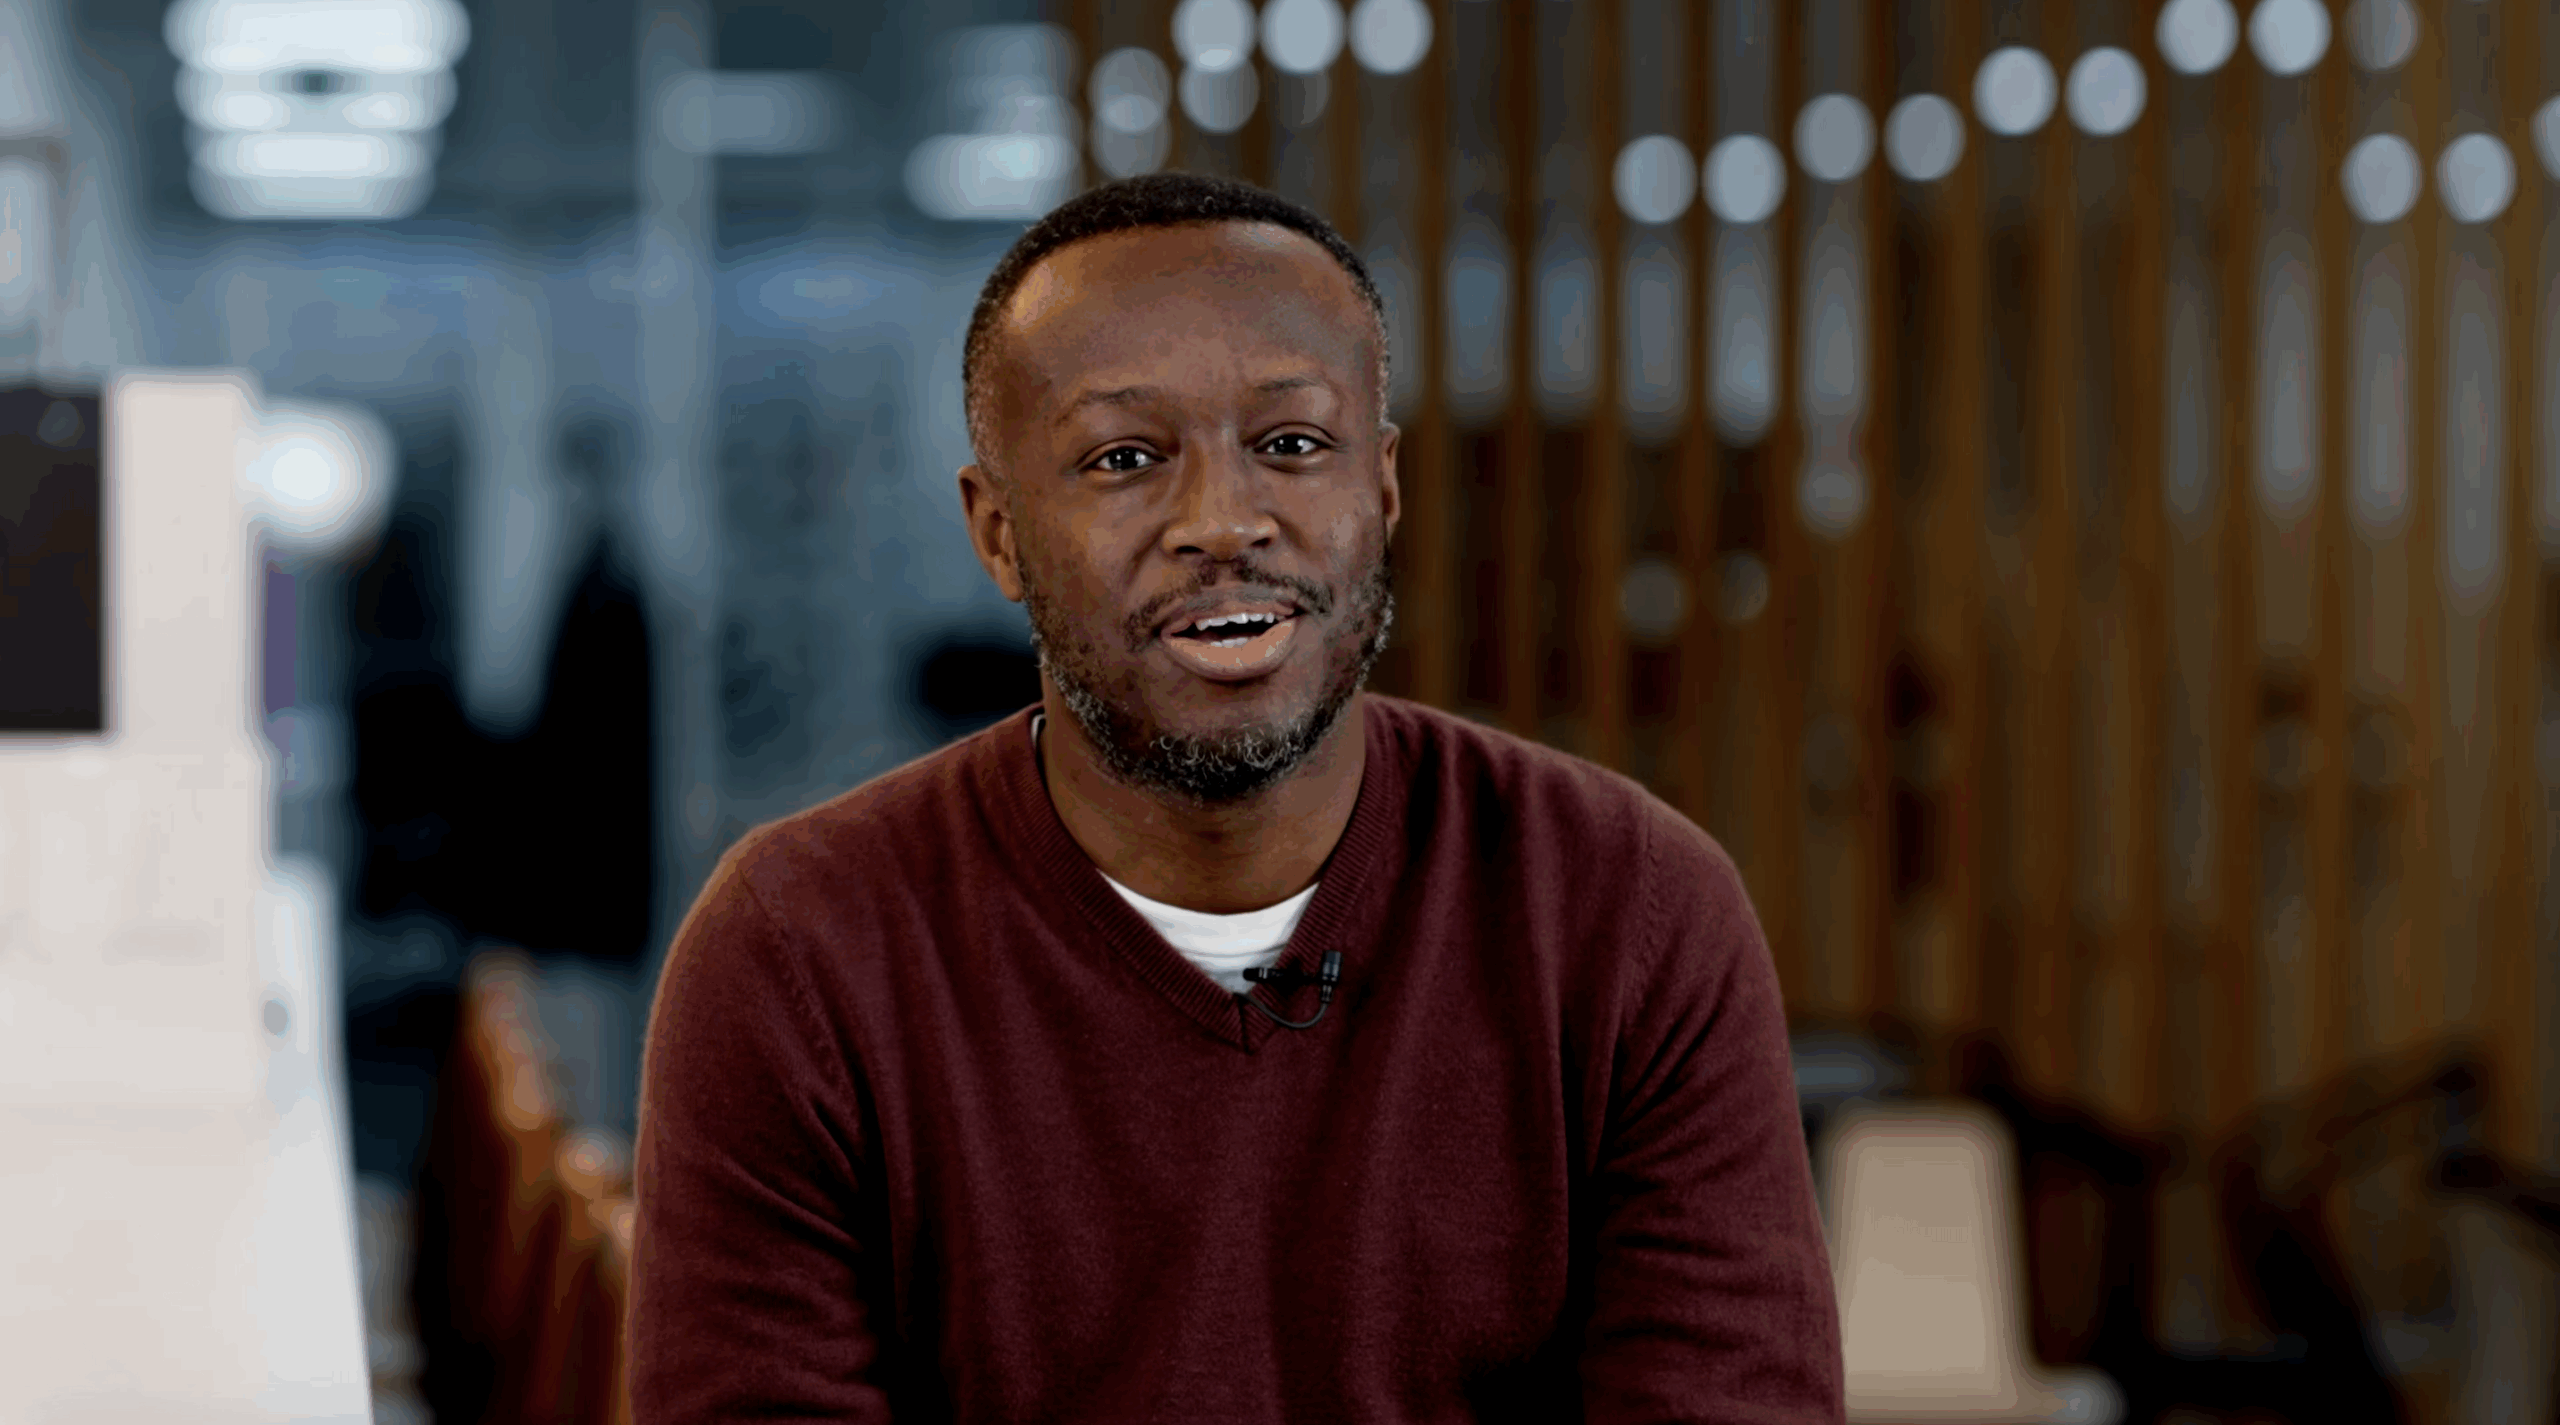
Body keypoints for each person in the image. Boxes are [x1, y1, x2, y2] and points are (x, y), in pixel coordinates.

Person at [627, 172, 1842, 1423]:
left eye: (1291, 445)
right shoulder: (800, 954)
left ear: (1381, 489)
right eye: (1124, 458)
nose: (1221, 522)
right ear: (997, 534)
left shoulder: (1628, 914)